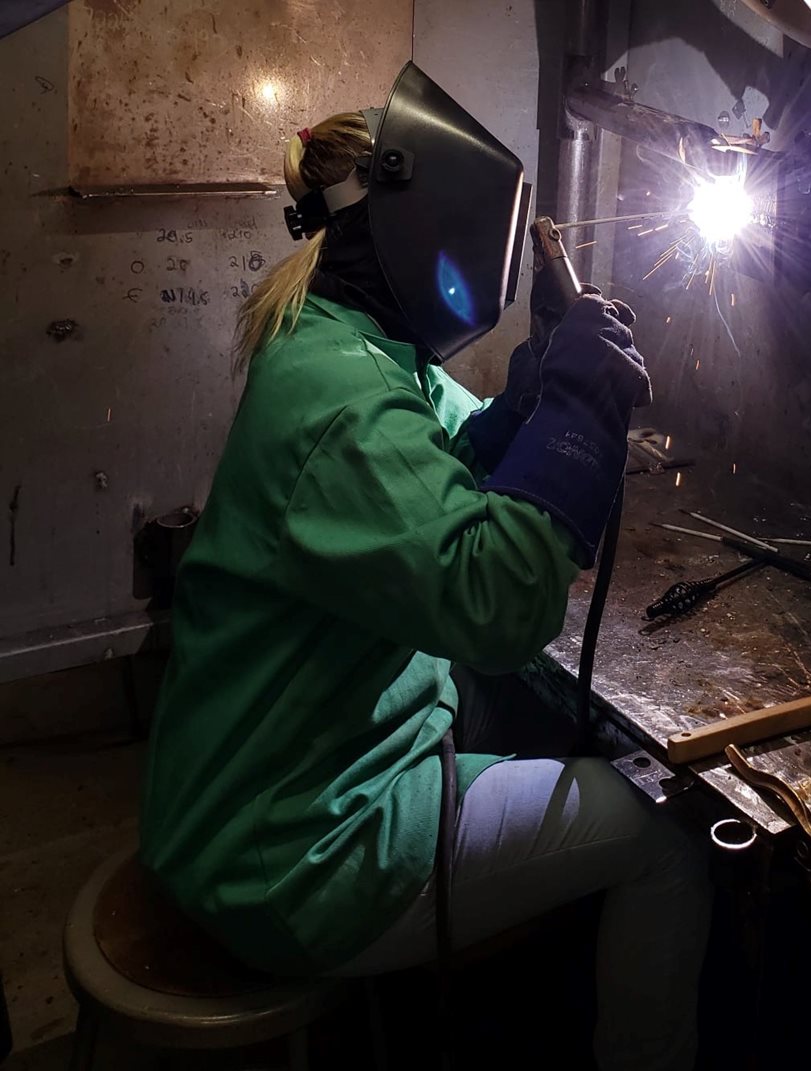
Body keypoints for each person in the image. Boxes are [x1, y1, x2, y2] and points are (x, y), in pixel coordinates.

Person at [138, 63, 710, 1070]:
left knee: (541, 719)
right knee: (666, 839)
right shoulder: (341, 400)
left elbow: (442, 467)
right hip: (301, 850)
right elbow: (497, 600)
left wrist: (529, 401)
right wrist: (577, 421)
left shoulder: (346, 346)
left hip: (260, 784)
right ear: (416, 217)